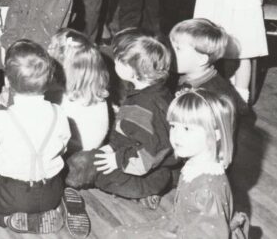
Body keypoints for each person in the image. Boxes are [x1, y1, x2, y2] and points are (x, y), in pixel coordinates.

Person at [0, 41, 84, 236]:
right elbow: (63, 147)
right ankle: (57, 207)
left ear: (7, 81)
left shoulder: (0, 118)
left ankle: (5, 219)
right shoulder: (59, 113)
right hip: (51, 191)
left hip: (12, 196)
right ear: (49, 80)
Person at [107, 89, 242, 239]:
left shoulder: (207, 191)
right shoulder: (197, 164)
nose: (177, 135)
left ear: (215, 134)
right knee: (119, 234)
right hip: (182, 227)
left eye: (186, 128)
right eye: (173, 126)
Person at [68, 31, 174, 208]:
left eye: (118, 59)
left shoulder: (142, 106)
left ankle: (144, 191)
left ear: (131, 70)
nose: (114, 60)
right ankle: (148, 191)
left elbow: (151, 152)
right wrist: (113, 147)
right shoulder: (159, 92)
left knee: (89, 167)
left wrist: (117, 159)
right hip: (153, 166)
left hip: (143, 171)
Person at [46, 29, 110, 152]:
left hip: (76, 153)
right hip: (87, 147)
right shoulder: (92, 89)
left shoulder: (69, 98)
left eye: (52, 47)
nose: (48, 49)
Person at [171, 19, 248, 118]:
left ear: (201, 59)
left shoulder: (213, 96)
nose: (170, 52)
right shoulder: (184, 77)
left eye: (178, 48)